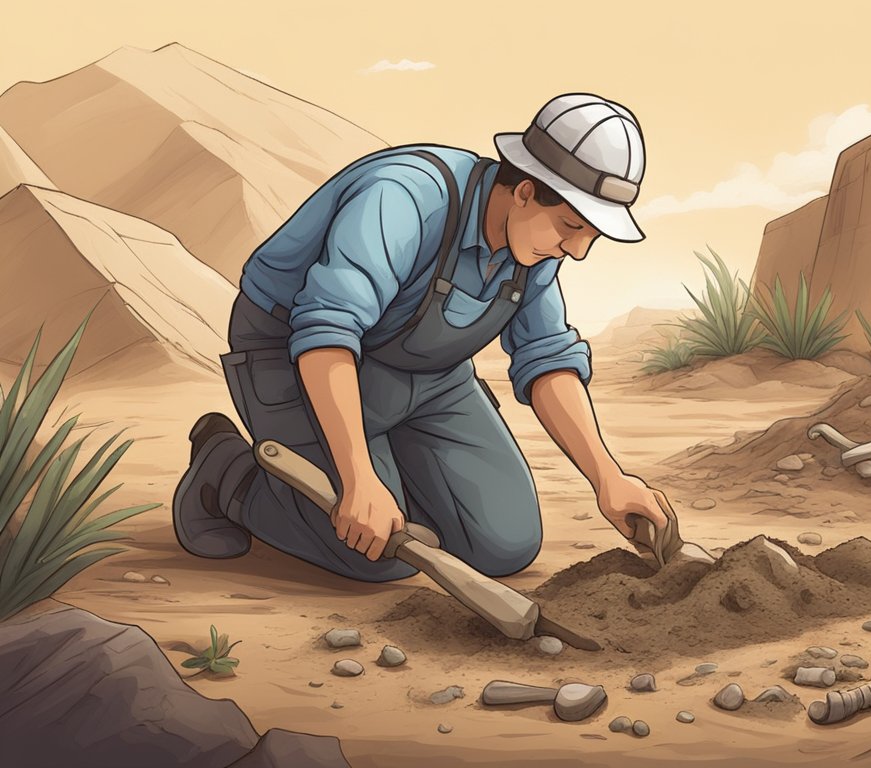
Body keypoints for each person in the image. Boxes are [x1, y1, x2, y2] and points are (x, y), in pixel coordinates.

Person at [173, 93, 670, 581]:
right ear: (523, 191)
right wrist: (358, 479)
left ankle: (391, 477)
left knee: (504, 546)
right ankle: (228, 473)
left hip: (429, 374)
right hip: (298, 354)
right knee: (376, 552)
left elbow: (546, 358)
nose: (577, 250)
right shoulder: (404, 197)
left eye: (591, 234)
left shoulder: (536, 249)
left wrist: (609, 478)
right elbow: (327, 330)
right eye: (569, 225)